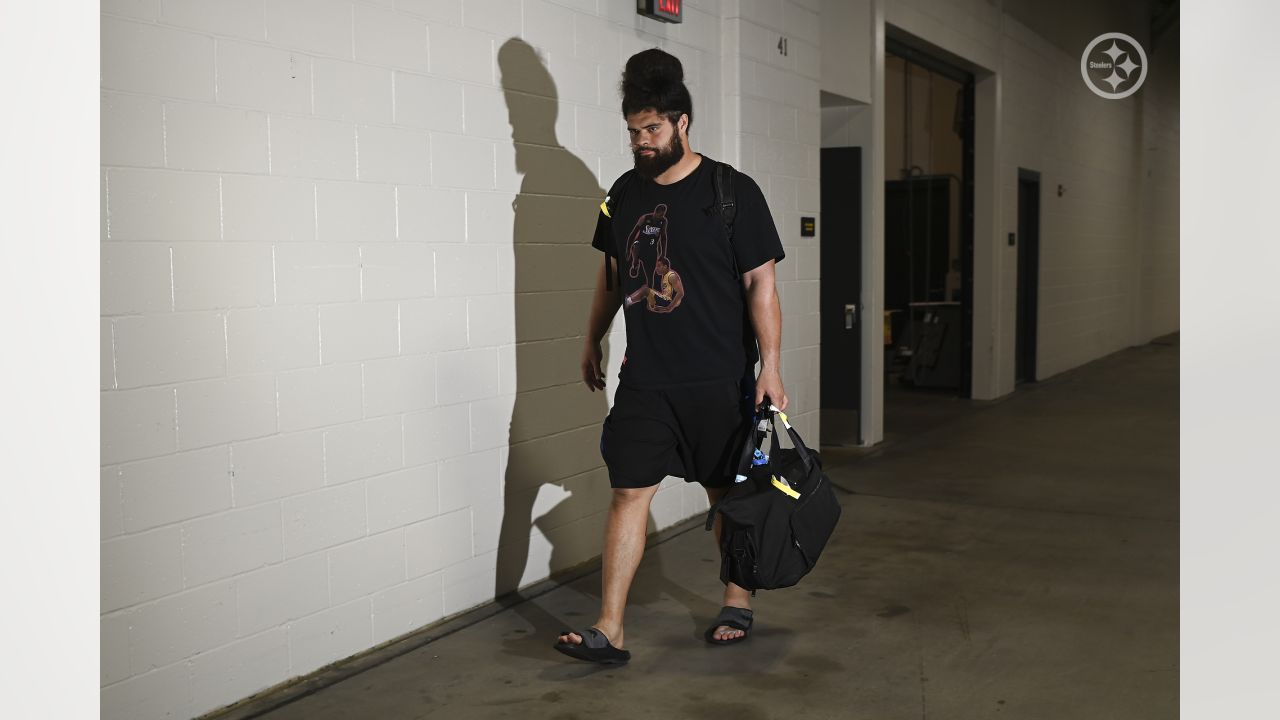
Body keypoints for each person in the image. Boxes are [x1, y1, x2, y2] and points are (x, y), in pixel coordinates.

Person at [554, 48, 787, 664]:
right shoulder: (624, 193)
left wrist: (772, 367)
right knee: (629, 492)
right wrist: (592, 336)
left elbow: (762, 283)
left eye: (652, 129)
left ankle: (738, 599)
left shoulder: (732, 191)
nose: (641, 142)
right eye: (633, 131)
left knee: (724, 496)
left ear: (683, 123)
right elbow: (611, 273)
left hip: (718, 377)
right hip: (646, 379)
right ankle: (610, 627)